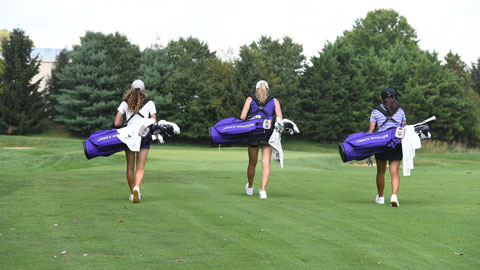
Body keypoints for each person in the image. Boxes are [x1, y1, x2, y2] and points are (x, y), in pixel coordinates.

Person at [114, 80, 157, 203]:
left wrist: (126, 122)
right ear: (143, 90)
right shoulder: (150, 103)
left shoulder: (124, 103)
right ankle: (137, 187)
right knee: (140, 167)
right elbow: (154, 121)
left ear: (131, 90)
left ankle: (132, 193)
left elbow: (116, 123)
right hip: (143, 135)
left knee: (129, 167)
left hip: (129, 136)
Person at [240, 80, 283, 199]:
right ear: (268, 89)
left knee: (252, 163)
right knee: (266, 163)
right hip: (267, 133)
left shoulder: (250, 99)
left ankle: (250, 187)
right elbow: (280, 119)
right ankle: (263, 190)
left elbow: (242, 116)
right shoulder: (274, 100)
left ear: (256, 89)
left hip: (253, 133)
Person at [368, 87, 406, 207]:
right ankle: (394, 196)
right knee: (394, 172)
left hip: (380, 142)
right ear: (394, 98)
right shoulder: (400, 111)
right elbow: (403, 128)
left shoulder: (375, 111)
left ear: (381, 98)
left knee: (381, 172)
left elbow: (371, 130)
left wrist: (367, 144)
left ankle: (381, 197)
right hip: (396, 143)